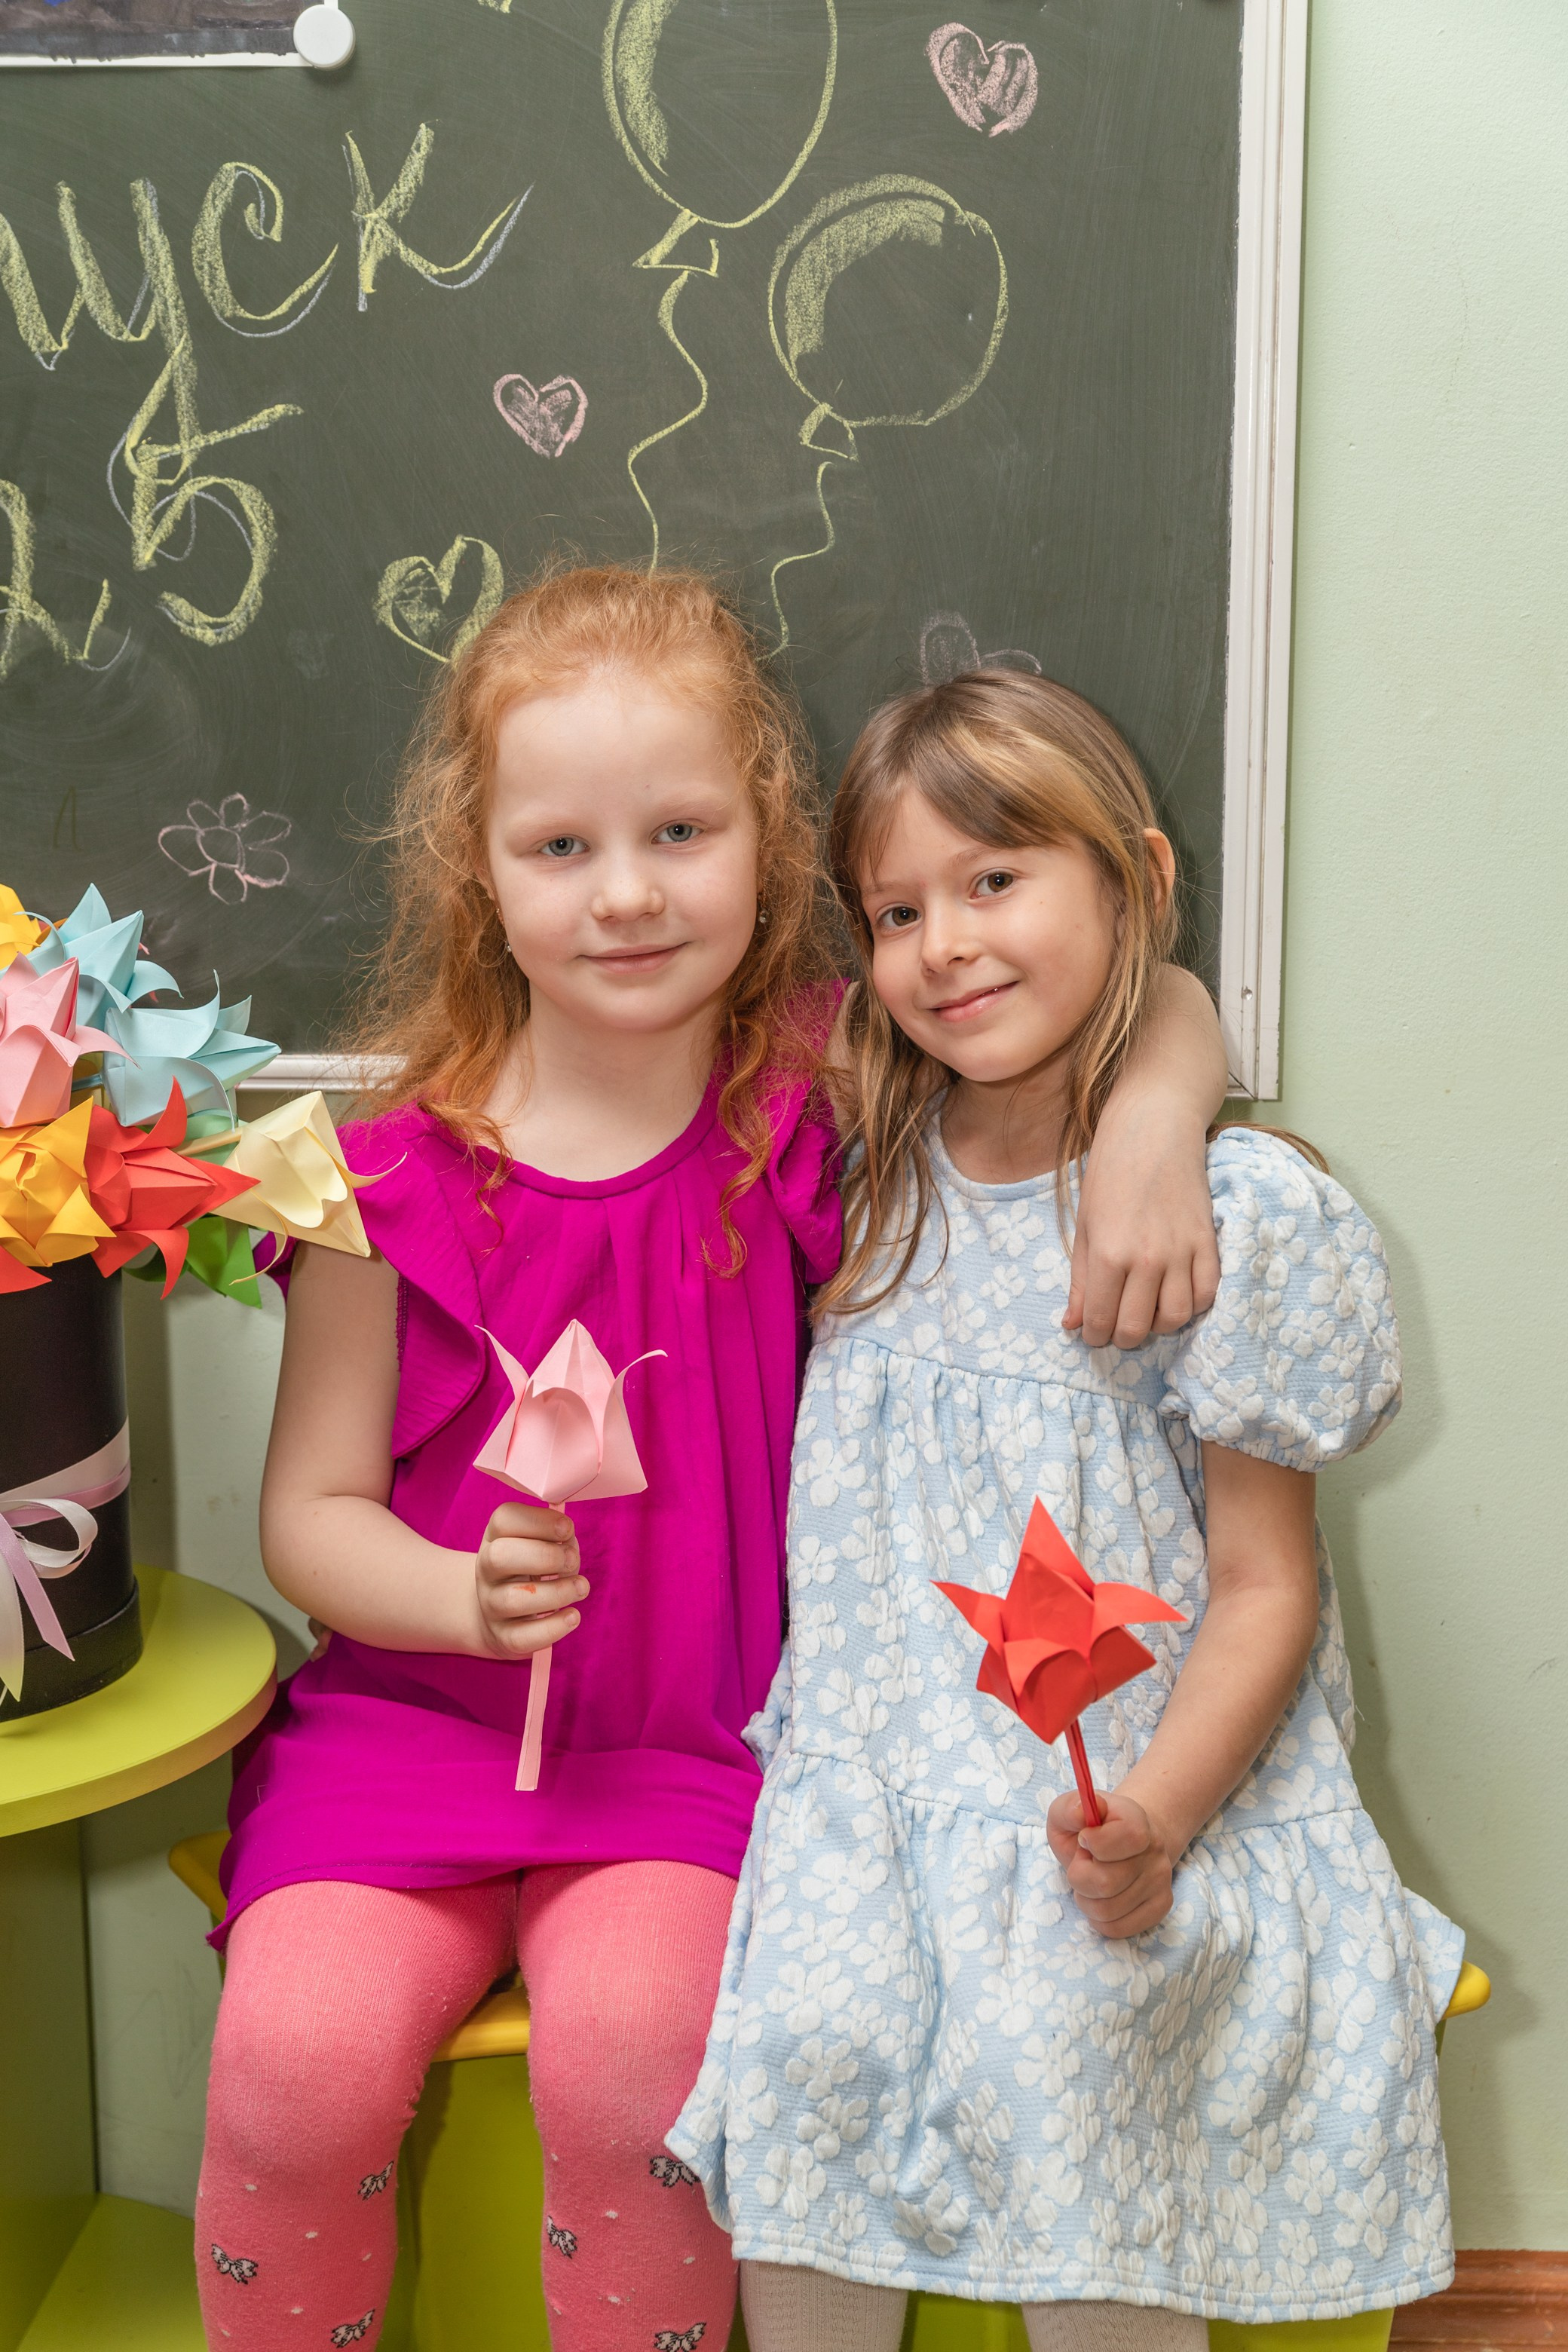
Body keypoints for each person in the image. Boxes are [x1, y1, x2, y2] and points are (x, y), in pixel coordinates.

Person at [196, 574, 1229, 2352]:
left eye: (678, 831)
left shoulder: (819, 1096)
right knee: (292, 2075)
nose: (624, 893)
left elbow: (1151, 997)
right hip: (407, 1739)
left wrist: (1153, 1126)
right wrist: (451, 1594)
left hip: (695, 1758)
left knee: (638, 2094)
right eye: (559, 846)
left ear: (761, 841)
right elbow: (308, 1518)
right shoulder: (377, 1180)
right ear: (479, 873)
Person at [670, 670, 1463, 2352]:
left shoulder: (1223, 1218)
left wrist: (1158, 1820)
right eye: (894, 910)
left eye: (994, 880)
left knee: (1078, 2053)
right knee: (808, 2055)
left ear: (1130, 879)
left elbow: (1261, 1590)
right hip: (876, 1802)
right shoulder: (862, 1157)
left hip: (1131, 1802)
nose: (942, 943)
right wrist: (1159, 1084)